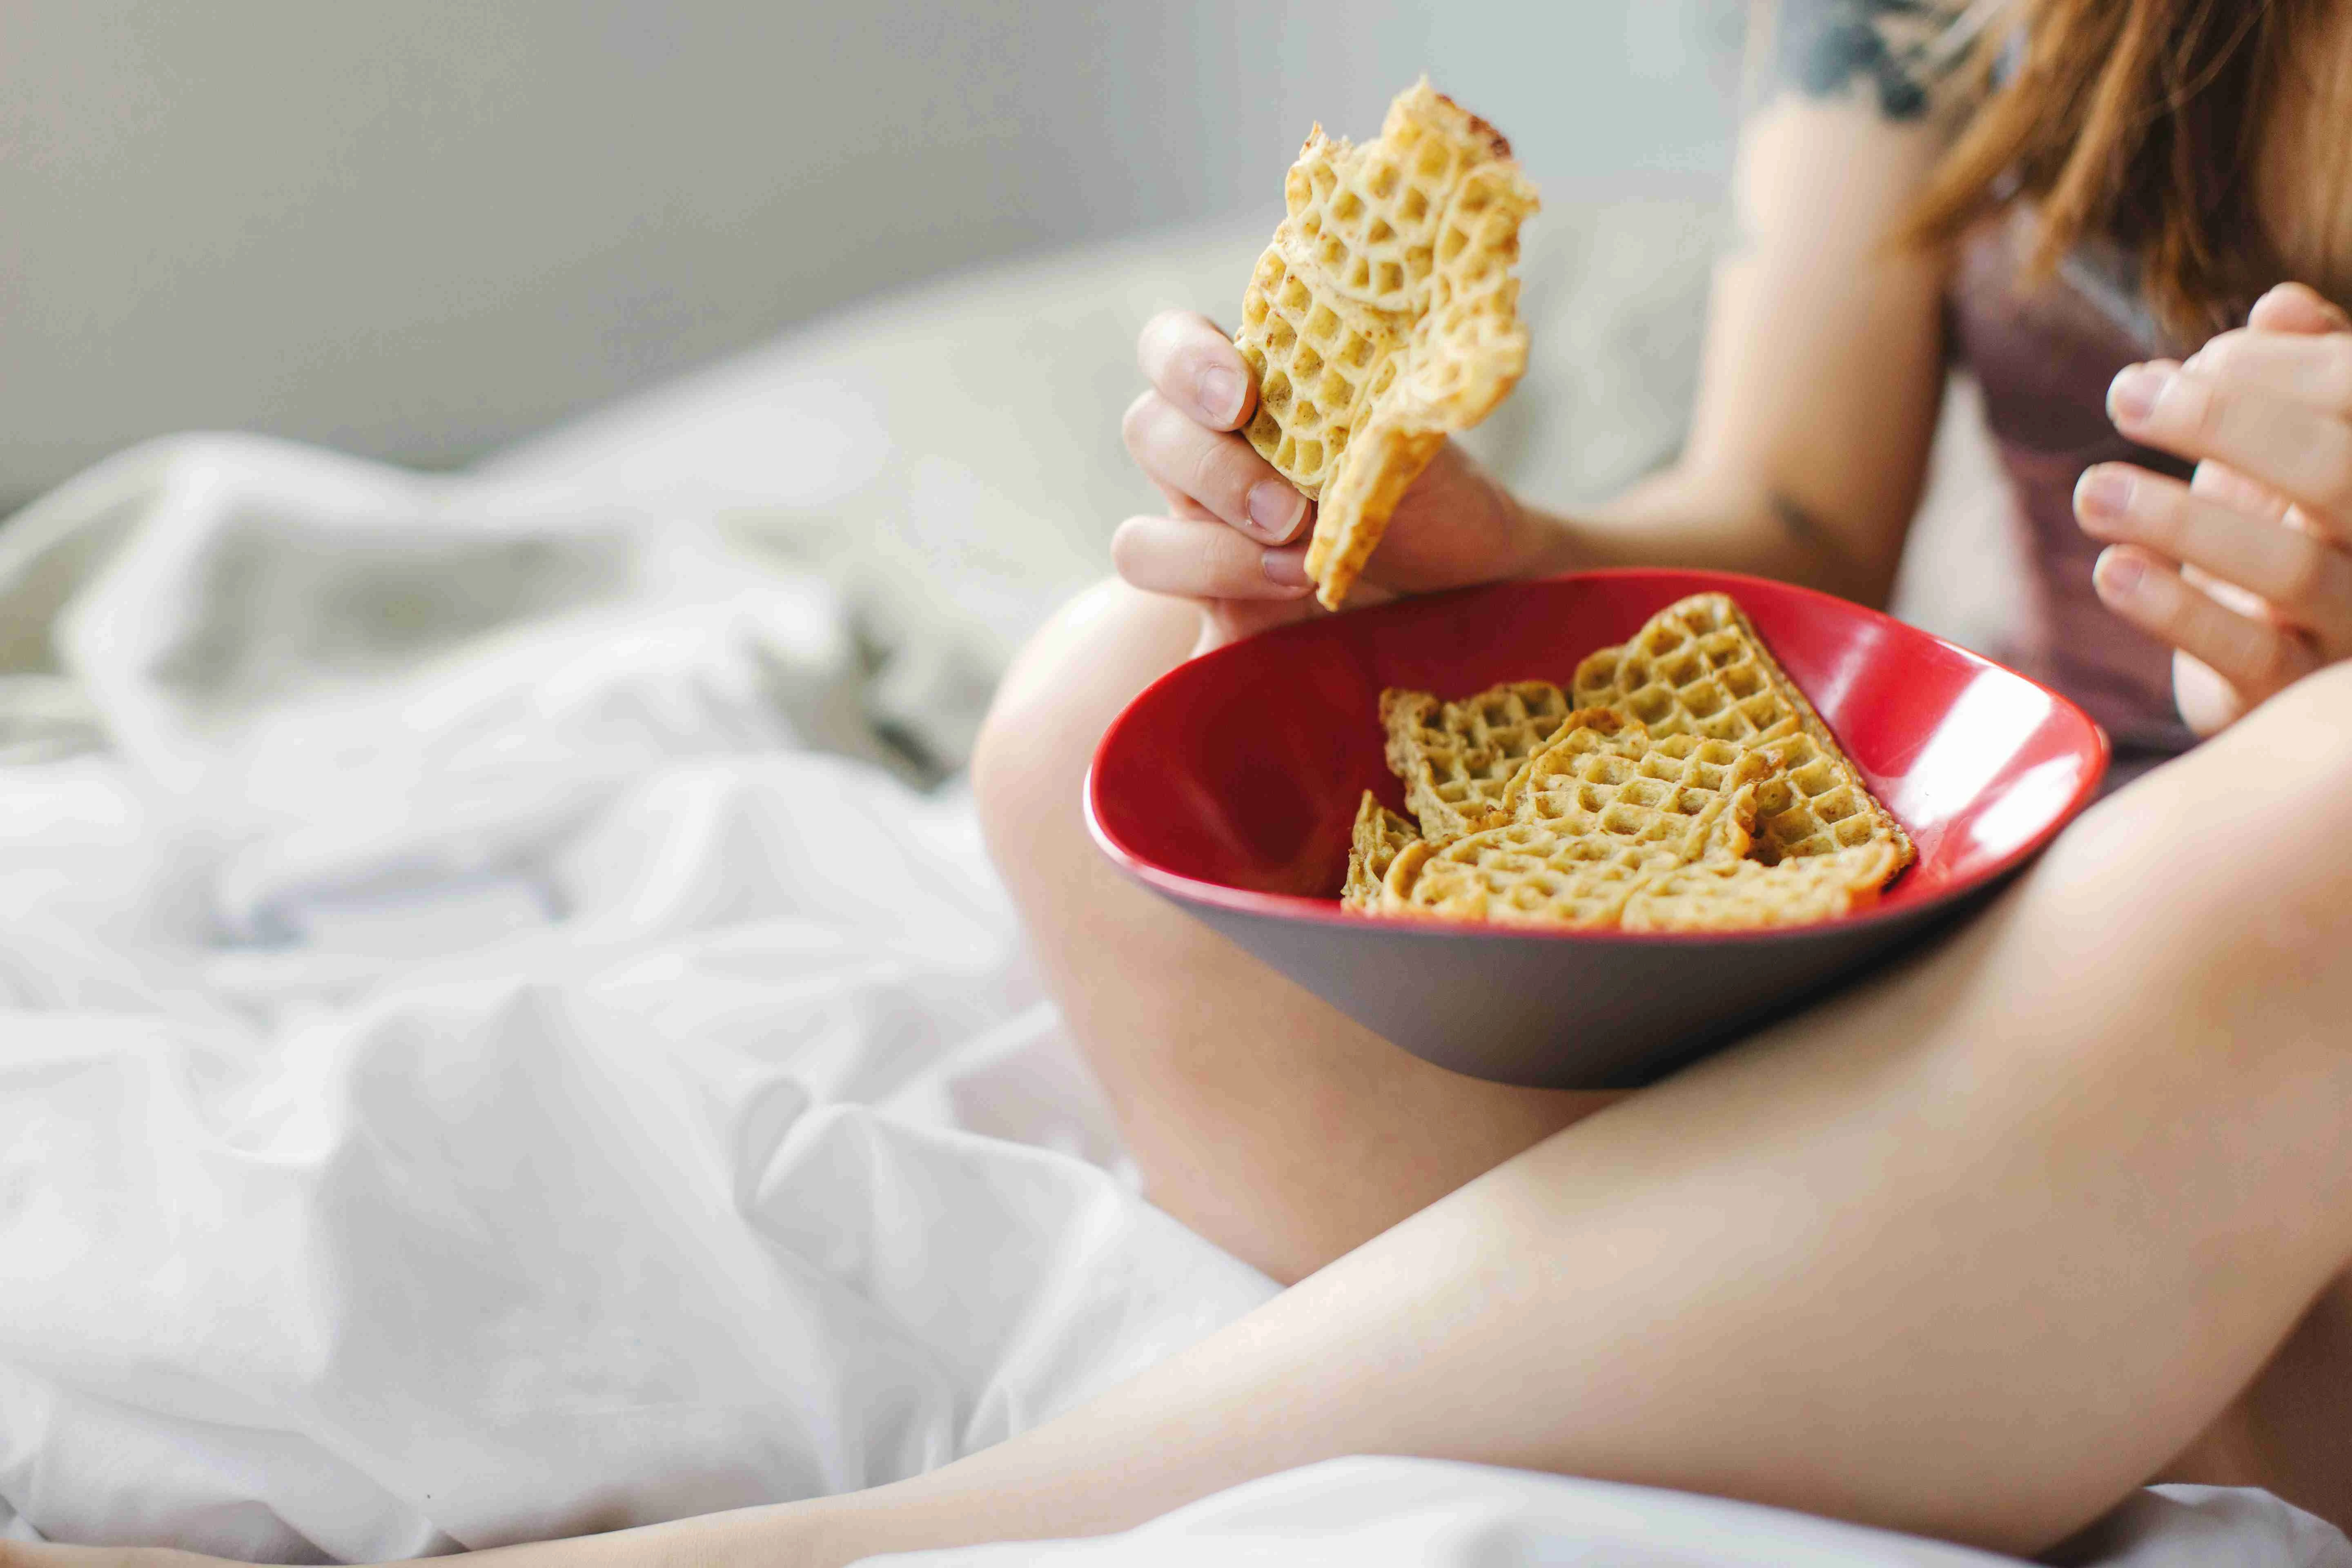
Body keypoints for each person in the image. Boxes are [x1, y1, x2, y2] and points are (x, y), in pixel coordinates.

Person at [11, 1, 2352, 1564]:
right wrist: (1490, 560)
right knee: (1122, 706)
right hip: (2056, 975)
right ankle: (1919, 1346)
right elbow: (1791, 535)